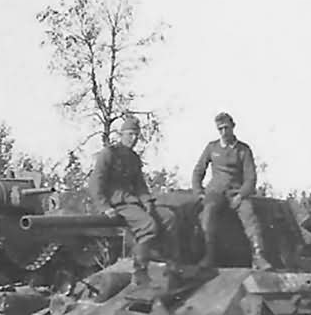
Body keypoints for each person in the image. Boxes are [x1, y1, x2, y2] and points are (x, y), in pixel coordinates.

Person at [88, 115, 173, 285]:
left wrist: (147, 202)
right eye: (130, 134)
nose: (133, 139)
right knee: (148, 225)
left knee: (169, 217)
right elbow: (96, 182)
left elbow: (140, 185)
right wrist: (104, 206)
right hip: (117, 203)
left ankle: (167, 262)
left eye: (136, 135)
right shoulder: (109, 154)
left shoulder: (133, 158)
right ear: (121, 135)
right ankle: (139, 270)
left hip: (133, 202)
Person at [191, 112, 272, 270]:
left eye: (226, 128)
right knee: (208, 213)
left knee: (250, 215)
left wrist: (241, 195)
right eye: (220, 129)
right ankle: (209, 255)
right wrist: (198, 192)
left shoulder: (243, 150)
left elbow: (251, 178)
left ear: (233, 127)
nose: (223, 132)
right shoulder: (212, 147)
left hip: (235, 191)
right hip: (215, 192)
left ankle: (259, 256)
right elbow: (198, 171)